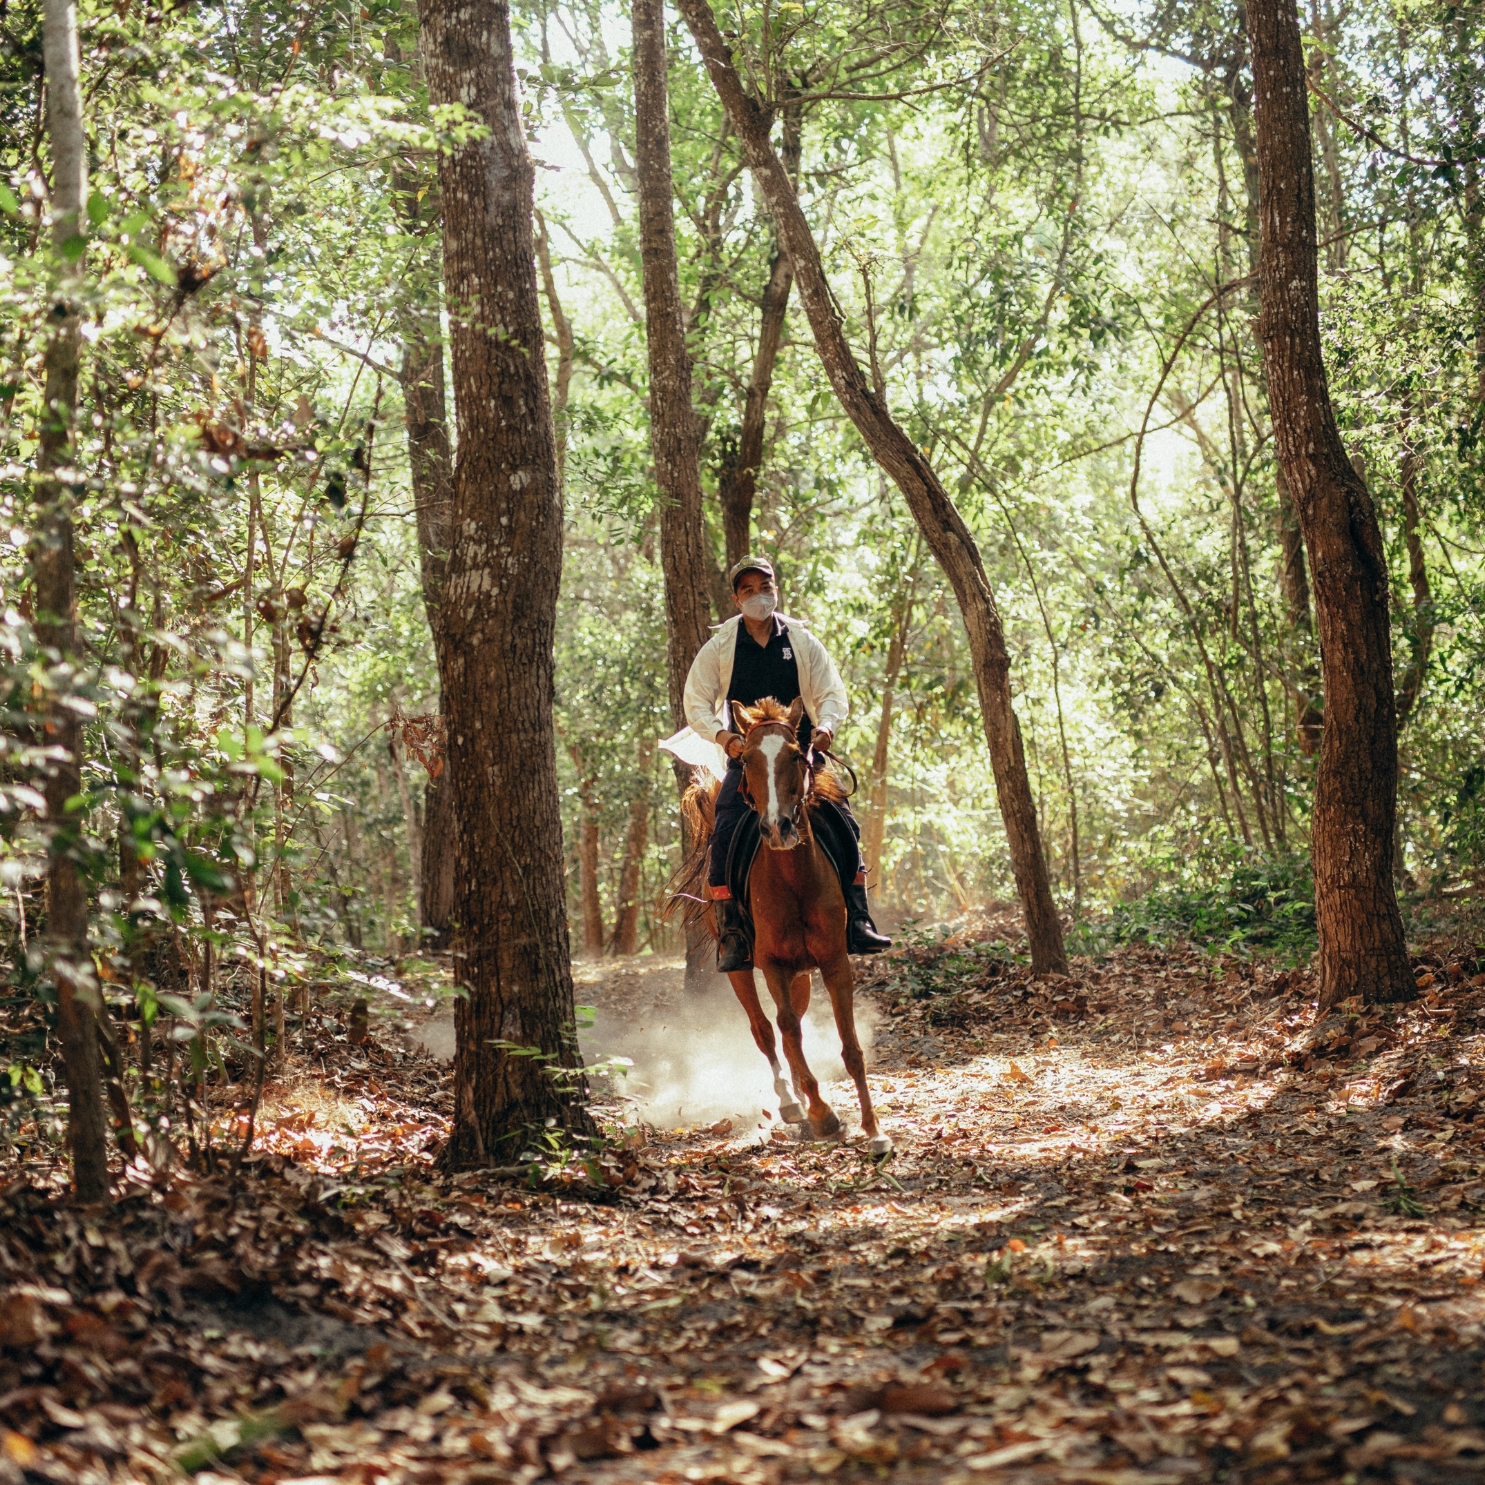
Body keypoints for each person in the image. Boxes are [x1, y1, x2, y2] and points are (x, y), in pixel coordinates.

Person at [683, 555, 892, 972]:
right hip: (751, 760)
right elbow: (696, 701)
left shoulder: (800, 640)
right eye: (748, 589)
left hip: (801, 758)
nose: (758, 595)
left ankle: (859, 919)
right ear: (736, 597)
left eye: (765, 587)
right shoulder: (722, 646)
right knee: (724, 824)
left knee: (843, 819)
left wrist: (827, 727)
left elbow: (831, 692)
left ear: (775, 589)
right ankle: (733, 932)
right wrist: (724, 738)